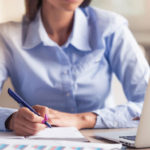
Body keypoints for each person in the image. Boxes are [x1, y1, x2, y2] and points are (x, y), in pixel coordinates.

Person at [0, 0, 149, 136]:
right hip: (37, 141)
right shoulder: (7, 37)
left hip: (102, 141)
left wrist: (85, 119)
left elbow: (146, 104)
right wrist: (11, 119)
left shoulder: (111, 27)